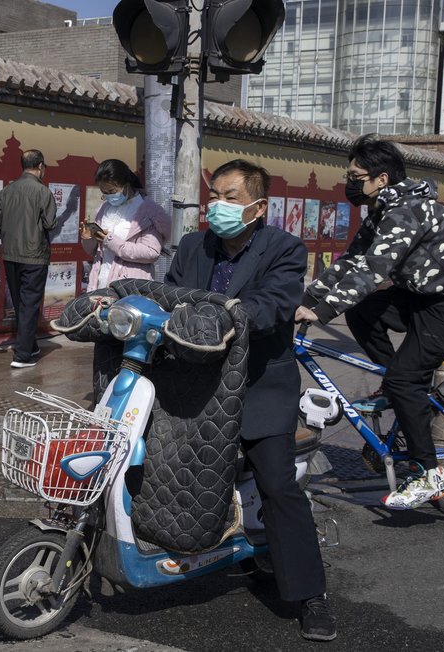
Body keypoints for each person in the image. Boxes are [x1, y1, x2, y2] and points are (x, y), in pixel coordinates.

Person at [166, 159, 335, 643]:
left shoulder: (284, 248)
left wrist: (225, 317)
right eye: (213, 196)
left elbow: (275, 304)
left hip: (259, 383)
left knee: (278, 485)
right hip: (196, 380)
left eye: (230, 197)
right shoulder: (194, 245)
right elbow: (169, 293)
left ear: (258, 207)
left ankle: (310, 595)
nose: (217, 206)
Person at [295, 134, 444, 510]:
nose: (349, 182)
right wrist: (305, 300)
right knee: (362, 310)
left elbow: (373, 270)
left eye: (356, 176)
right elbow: (351, 260)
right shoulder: (383, 209)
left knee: (406, 379)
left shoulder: (405, 211)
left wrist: (321, 312)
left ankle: (429, 475)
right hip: (426, 293)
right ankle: (397, 387)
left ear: (381, 179)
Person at [0, 149, 57, 368]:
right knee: (29, 304)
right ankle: (22, 356)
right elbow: (50, 223)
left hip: (10, 254)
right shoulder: (43, 192)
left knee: (20, 302)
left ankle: (31, 345)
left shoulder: (7, 191)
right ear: (41, 166)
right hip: (34, 255)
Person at [81, 159, 170, 291]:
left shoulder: (148, 210)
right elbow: (95, 252)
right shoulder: (103, 208)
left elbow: (151, 252)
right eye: (104, 193)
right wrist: (88, 237)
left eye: (112, 191)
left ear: (126, 185)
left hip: (130, 289)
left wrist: (111, 240)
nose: (109, 196)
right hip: (100, 284)